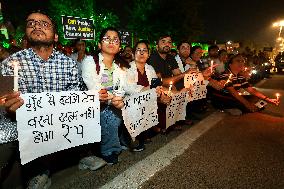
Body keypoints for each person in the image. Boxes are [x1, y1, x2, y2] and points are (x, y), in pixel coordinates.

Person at [0, 11, 111, 188]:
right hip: (24, 125)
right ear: (26, 33)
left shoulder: (68, 63)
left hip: (59, 121)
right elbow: (3, 100)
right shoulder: (9, 64)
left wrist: (93, 98)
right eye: (31, 23)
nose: (36, 26)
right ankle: (38, 172)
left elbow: (76, 97)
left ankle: (83, 155)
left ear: (56, 36)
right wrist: (7, 105)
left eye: (44, 24)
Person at [81, 27, 129, 165]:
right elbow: (94, 88)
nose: (111, 41)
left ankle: (122, 139)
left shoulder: (121, 66)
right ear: (99, 44)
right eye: (107, 38)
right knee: (110, 116)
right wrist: (114, 99)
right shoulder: (90, 61)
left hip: (114, 100)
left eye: (115, 39)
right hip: (95, 102)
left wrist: (122, 99)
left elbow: (124, 87)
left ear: (119, 46)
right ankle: (108, 150)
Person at [126, 40, 171, 151]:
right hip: (131, 104)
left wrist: (162, 96)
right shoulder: (127, 68)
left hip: (147, 103)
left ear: (149, 54)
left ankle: (146, 132)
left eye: (144, 50)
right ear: (133, 54)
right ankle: (131, 136)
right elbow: (130, 89)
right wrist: (150, 89)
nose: (141, 53)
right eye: (138, 50)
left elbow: (156, 87)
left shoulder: (150, 69)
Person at [210, 54, 279, 114]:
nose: (241, 63)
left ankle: (244, 108)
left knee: (256, 99)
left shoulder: (240, 76)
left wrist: (268, 99)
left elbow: (251, 90)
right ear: (230, 65)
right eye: (238, 61)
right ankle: (231, 108)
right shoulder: (225, 75)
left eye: (242, 61)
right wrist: (248, 104)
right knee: (244, 102)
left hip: (233, 97)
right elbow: (233, 92)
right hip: (223, 98)